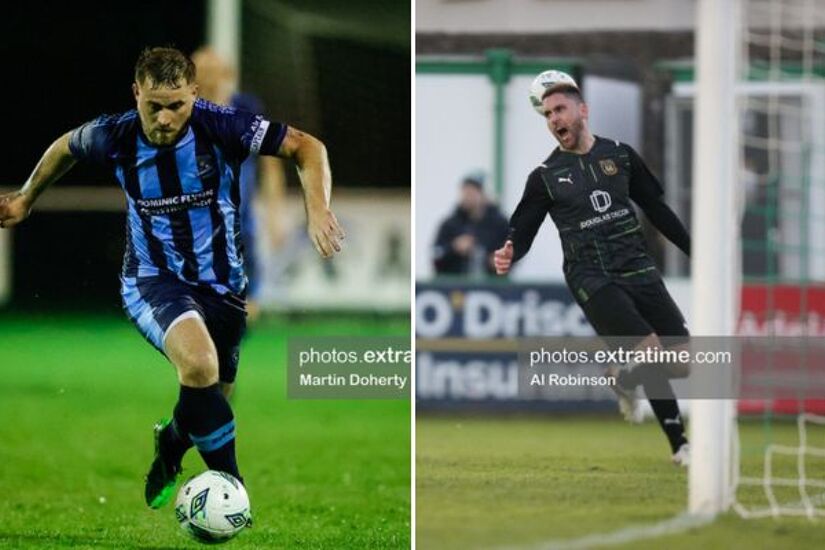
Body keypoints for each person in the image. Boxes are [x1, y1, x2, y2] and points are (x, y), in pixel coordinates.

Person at [0, 47, 344, 508]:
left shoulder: (222, 124)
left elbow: (307, 146)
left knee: (212, 397)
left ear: (195, 95)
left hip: (223, 286)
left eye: (177, 105)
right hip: (152, 280)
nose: (164, 118)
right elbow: (66, 146)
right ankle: (233, 491)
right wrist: (25, 198)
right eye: (153, 106)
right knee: (200, 365)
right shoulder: (114, 134)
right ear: (136, 93)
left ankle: (171, 445)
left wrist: (317, 208)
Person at [494, 71, 691, 466]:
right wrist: (510, 250)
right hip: (592, 278)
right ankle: (681, 447)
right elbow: (524, 228)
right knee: (651, 350)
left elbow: (657, 210)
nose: (554, 120)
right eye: (547, 114)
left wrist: (695, 250)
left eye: (560, 110)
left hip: (637, 266)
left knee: (682, 362)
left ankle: (623, 378)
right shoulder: (545, 177)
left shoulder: (620, 156)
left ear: (582, 110)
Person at [191, 47, 287, 322]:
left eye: (213, 73)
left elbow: (270, 163)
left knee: (246, 302)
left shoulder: (246, 110)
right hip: (195, 217)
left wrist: (274, 214)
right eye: (201, 74)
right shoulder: (183, 113)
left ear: (228, 75)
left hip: (239, 218)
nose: (207, 81)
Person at [432, 173, 509, 276]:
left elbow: (513, 253)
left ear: (483, 195)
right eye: (465, 192)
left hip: (491, 287)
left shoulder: (500, 224)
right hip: (454, 286)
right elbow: (436, 255)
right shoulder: (450, 224)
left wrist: (497, 261)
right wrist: (454, 248)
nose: (467, 197)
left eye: (472, 193)